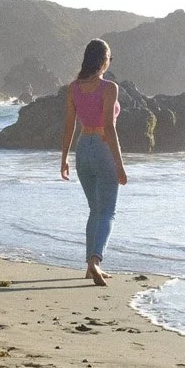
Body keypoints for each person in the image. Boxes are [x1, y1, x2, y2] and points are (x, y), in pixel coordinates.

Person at [59, 39, 127, 286]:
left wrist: (64, 157)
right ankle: (95, 261)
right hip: (102, 147)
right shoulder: (109, 88)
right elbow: (109, 127)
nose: (110, 61)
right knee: (107, 211)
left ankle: (90, 267)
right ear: (102, 60)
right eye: (109, 56)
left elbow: (70, 125)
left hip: (82, 150)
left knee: (94, 210)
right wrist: (119, 164)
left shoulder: (74, 88)